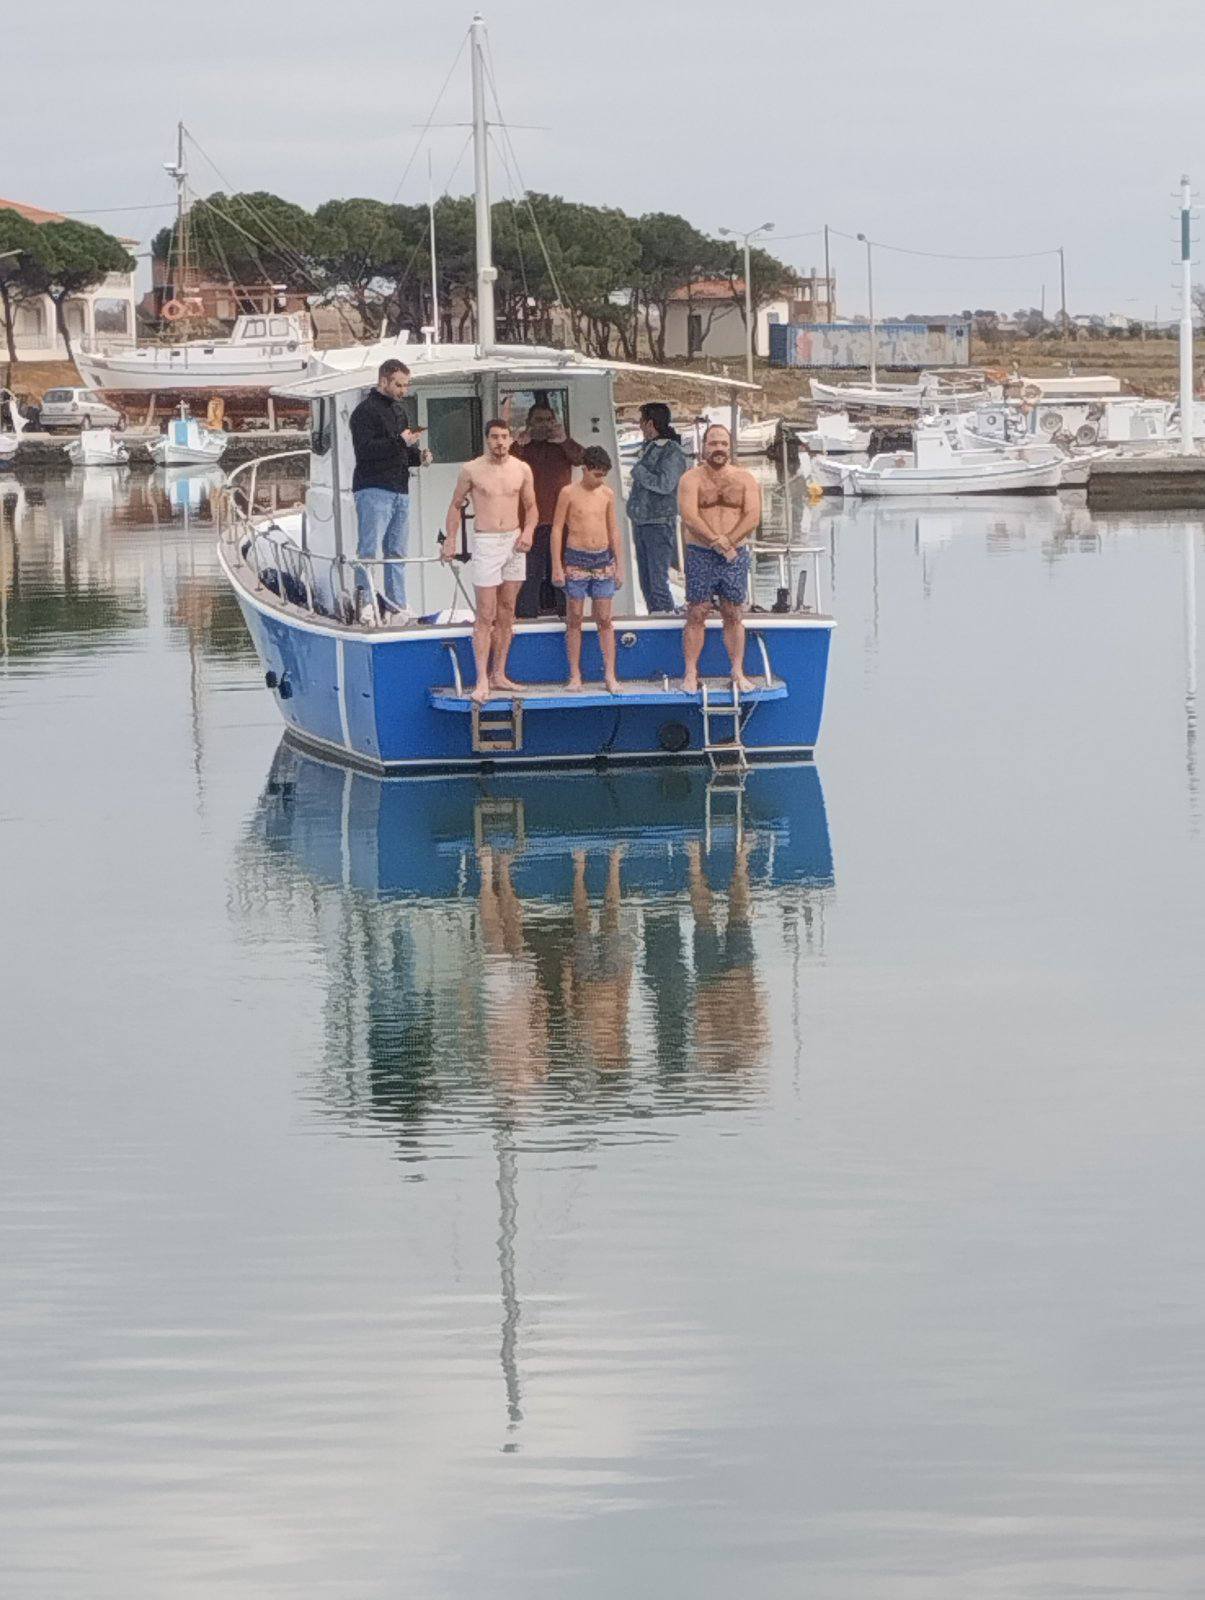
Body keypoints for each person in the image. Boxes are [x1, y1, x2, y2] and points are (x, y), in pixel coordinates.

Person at [443, 419, 538, 703]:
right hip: (486, 540)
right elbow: (455, 505)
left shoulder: (522, 469)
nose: (500, 442)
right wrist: (450, 539)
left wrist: (529, 532)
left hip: (514, 540)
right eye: (495, 437)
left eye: (504, 436)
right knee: (486, 613)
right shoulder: (471, 469)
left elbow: (531, 507)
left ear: (511, 439)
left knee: (508, 610)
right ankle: (481, 679)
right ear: (487, 439)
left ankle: (499, 673)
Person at [677, 422, 761, 693]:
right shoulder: (691, 479)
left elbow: (752, 516)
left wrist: (729, 541)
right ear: (704, 447)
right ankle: (691, 673)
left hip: (734, 554)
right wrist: (715, 541)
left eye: (724, 444)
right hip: (701, 552)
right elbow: (689, 516)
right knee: (697, 611)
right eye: (713, 443)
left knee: (733, 612)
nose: (719, 448)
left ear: (730, 447)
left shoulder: (745, 479)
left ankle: (737, 671)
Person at [348, 358, 429, 623]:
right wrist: (400, 441)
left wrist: (419, 456)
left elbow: (401, 450)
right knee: (368, 550)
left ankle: (397, 606)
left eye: (406, 385)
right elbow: (365, 451)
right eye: (399, 385)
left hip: (400, 489)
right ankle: (365, 603)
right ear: (383, 381)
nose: (404, 390)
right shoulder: (364, 412)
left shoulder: (399, 411)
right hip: (373, 487)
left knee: (397, 552)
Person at [550, 445, 624, 693]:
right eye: (596, 474)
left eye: (604, 475)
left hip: (602, 559)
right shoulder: (568, 493)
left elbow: (614, 530)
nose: (600, 479)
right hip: (576, 558)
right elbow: (557, 529)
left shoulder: (607, 494)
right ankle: (575, 675)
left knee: (604, 618)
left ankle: (610, 674)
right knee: (574, 617)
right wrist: (556, 565)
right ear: (584, 469)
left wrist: (620, 566)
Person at [509, 400, 584, 618]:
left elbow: (584, 459)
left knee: (562, 573)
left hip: (561, 521)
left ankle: (567, 620)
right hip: (530, 523)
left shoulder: (563, 445)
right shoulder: (522, 447)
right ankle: (525, 621)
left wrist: (564, 439)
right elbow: (505, 467)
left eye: (549, 420)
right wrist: (519, 443)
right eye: (539, 420)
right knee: (529, 575)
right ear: (529, 422)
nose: (544, 424)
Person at [626, 402, 689, 614]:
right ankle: (654, 615)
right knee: (645, 582)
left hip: (659, 524)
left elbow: (666, 484)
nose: (639, 425)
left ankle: (666, 618)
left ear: (650, 423)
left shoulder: (672, 451)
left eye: (641, 421)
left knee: (657, 581)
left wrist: (639, 472)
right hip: (642, 522)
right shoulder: (649, 448)